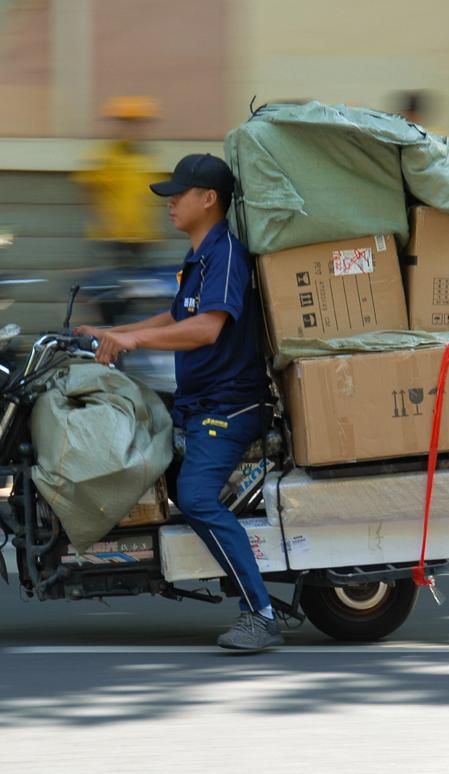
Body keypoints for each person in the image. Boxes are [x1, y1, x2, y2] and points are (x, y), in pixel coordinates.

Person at [76, 153, 279, 651]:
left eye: (178, 194)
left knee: (196, 498)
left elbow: (207, 329)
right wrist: (111, 333)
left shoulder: (226, 253)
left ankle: (261, 613)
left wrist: (133, 343)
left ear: (208, 199)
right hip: (197, 400)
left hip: (229, 406)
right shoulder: (200, 256)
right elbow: (173, 319)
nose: (169, 203)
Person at [73, 96, 164, 267]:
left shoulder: (147, 157)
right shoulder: (105, 156)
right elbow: (88, 189)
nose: (135, 130)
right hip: (112, 239)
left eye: (139, 124)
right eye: (129, 124)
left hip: (142, 238)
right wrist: (101, 220)